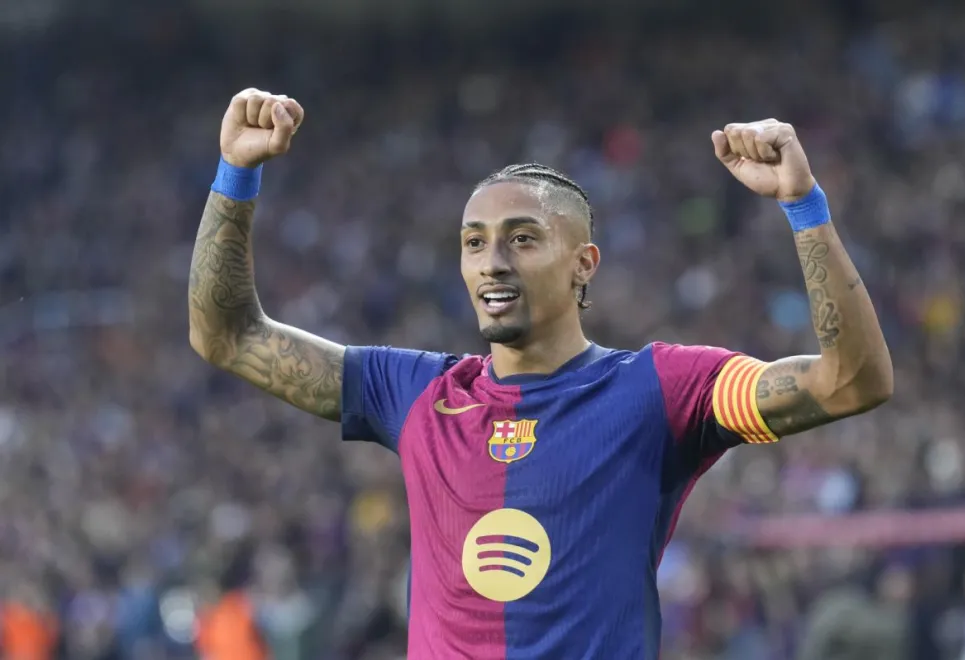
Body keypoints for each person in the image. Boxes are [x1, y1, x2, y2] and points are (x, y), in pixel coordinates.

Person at [188, 89, 893, 659]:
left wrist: (804, 207)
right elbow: (227, 336)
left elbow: (852, 382)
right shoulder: (415, 394)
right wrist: (235, 174)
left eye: (523, 239)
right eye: (474, 243)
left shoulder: (661, 391)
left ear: (583, 263)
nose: (493, 261)